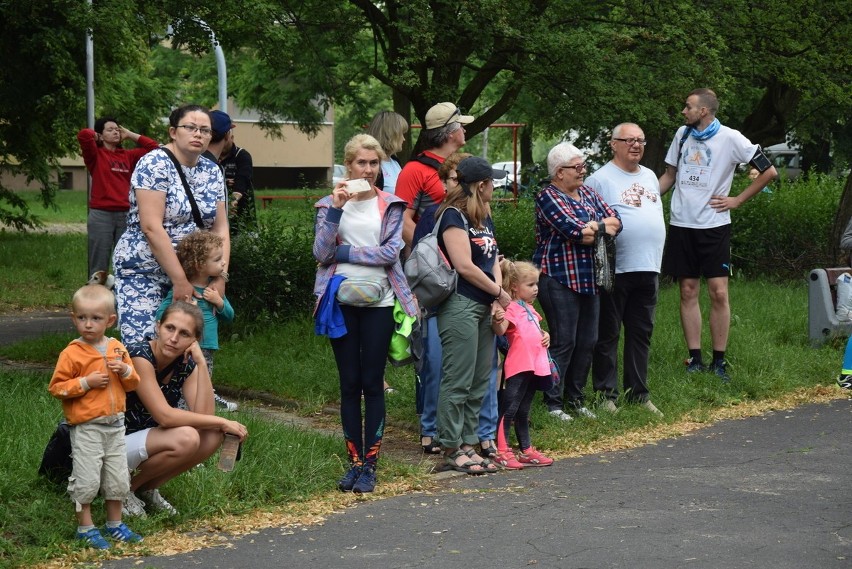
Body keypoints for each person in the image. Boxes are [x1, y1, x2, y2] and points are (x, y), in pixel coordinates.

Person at [313, 134, 417, 494]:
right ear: (348, 165)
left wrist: (346, 254)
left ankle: (371, 463)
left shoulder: (390, 204)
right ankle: (353, 462)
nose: (369, 170)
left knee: (372, 383)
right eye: (362, 163)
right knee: (348, 383)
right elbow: (322, 252)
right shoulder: (329, 204)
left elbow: (390, 253)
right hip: (339, 303)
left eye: (374, 163)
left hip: (381, 304)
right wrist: (338, 210)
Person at [658, 88, 777, 382]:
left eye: (688, 107)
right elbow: (670, 175)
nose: (683, 111)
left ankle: (719, 361)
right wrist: (643, 199)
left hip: (714, 225)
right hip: (682, 223)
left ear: (704, 111)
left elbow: (769, 172)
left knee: (719, 293)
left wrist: (737, 200)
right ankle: (695, 359)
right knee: (687, 290)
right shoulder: (682, 135)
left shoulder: (731, 138)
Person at [112, 104, 230, 346]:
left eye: (205, 130)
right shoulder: (154, 163)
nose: (198, 134)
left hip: (195, 275)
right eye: (190, 127)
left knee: (186, 349)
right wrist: (179, 280)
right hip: (145, 270)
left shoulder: (212, 171)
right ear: (173, 132)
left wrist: (220, 277)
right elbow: (151, 226)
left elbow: (220, 230)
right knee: (144, 345)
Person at [122, 301, 248, 517]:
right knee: (188, 437)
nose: (174, 338)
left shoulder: (186, 363)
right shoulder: (139, 356)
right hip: (110, 442)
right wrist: (224, 421)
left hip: (144, 440)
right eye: (169, 328)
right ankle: (122, 492)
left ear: (195, 340)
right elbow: (165, 417)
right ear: (158, 326)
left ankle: (144, 488)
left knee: (211, 436)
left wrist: (200, 364)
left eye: (184, 333)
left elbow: (204, 417)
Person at [396, 102, 473, 454]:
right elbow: (401, 219)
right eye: (462, 126)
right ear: (449, 131)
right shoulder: (415, 169)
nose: (466, 131)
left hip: (464, 272)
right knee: (432, 354)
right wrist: (434, 256)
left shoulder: (461, 166)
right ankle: (429, 425)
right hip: (433, 276)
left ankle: (456, 426)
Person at [48, 284, 142, 549]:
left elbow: (134, 383)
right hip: (87, 427)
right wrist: (85, 383)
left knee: (117, 478)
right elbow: (57, 387)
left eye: (96, 318)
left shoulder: (117, 348)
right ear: (73, 318)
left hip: (115, 425)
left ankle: (115, 525)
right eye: (82, 318)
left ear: (110, 320)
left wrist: (124, 370)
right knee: (87, 479)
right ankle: (85, 527)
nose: (88, 324)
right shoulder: (72, 352)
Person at [533, 142, 621, 421]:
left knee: (588, 341)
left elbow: (617, 221)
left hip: (589, 279)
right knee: (563, 341)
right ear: (559, 172)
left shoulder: (588, 193)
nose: (583, 171)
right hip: (559, 278)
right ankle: (553, 403)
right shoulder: (548, 196)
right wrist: (600, 228)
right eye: (577, 167)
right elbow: (574, 232)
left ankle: (576, 398)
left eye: (583, 166)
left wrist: (596, 228)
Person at [435, 155, 510, 475]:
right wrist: (498, 292)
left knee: (481, 379)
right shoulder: (453, 216)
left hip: (485, 306)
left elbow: (492, 258)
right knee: (459, 380)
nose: (495, 186)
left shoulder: (484, 217)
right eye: (492, 182)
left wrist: (496, 296)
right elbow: (464, 266)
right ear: (480, 185)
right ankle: (451, 446)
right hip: (461, 305)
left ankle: (468, 443)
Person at [587, 123, 665, 416]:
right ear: (613, 144)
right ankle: (606, 394)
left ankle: (638, 394)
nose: (636, 145)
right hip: (616, 268)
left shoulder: (648, 176)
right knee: (608, 333)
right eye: (629, 140)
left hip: (648, 265)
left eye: (640, 140)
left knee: (641, 332)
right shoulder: (600, 179)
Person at [155, 230, 237, 411]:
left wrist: (219, 302)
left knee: (203, 384)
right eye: (217, 259)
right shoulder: (184, 290)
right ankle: (181, 415)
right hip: (182, 351)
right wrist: (184, 308)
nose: (223, 262)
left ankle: (200, 414)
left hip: (207, 349)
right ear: (199, 265)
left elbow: (229, 316)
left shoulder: (214, 289)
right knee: (182, 385)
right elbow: (161, 315)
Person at [490, 260, 554, 470]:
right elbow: (502, 331)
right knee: (509, 407)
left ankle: (526, 449)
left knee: (524, 409)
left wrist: (545, 335)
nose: (536, 289)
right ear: (515, 286)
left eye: (536, 284)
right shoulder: (511, 308)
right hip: (519, 365)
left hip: (535, 365)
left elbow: (535, 330)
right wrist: (497, 319)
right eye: (530, 284)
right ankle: (502, 450)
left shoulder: (530, 309)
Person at [77, 118, 160, 279]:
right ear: (101, 134)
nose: (116, 132)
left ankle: (121, 296)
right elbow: (83, 135)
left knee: (125, 259)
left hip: (126, 215)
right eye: (110, 129)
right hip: (101, 215)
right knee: (99, 262)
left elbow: (154, 148)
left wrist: (130, 134)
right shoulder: (95, 154)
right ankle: (96, 298)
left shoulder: (128, 156)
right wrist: (96, 137)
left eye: (117, 129)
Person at [219, 131, 257, 233]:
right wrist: (225, 183)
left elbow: (243, 178)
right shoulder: (209, 157)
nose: (223, 143)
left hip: (243, 209)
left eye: (226, 139)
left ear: (232, 138)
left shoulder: (242, 155)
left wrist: (234, 199)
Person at [367, 110, 409, 194]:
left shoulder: (395, 162)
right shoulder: (370, 164)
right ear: (390, 135)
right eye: (401, 134)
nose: (404, 139)